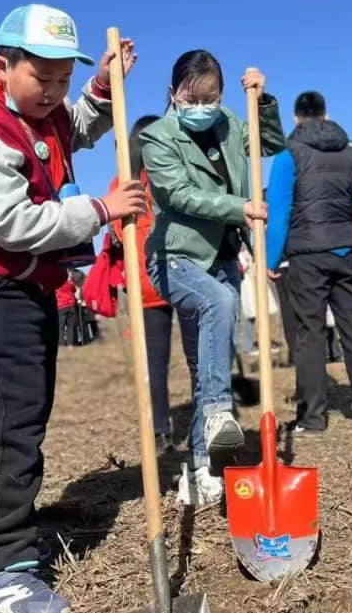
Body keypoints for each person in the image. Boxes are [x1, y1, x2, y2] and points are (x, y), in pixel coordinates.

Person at [0, 4, 146, 613]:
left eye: (63, 80)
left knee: (13, 411)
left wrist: (104, 88)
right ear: (2, 67)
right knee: (10, 420)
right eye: (41, 77)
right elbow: (8, 220)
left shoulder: (41, 115)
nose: (54, 92)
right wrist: (101, 211)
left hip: (21, 284)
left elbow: (75, 126)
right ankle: (4, 574)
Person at [142, 50, 284, 506]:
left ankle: (203, 466)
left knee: (212, 361)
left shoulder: (231, 122)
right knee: (219, 304)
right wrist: (236, 207)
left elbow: (271, 145)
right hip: (176, 256)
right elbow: (178, 195)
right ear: (173, 94)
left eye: (211, 97)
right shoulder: (158, 137)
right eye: (192, 97)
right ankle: (221, 411)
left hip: (223, 255)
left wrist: (261, 104)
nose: (202, 106)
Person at [265, 90, 352, 434]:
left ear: (296, 117)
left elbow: (280, 211)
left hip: (306, 255)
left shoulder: (288, 153)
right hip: (346, 251)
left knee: (309, 334)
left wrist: (271, 258)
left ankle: (313, 417)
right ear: (327, 113)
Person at [108, 115, 201, 457]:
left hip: (147, 281)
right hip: (184, 274)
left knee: (155, 364)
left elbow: (119, 231)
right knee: (197, 357)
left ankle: (160, 432)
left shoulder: (123, 182)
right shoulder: (177, 174)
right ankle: (201, 425)